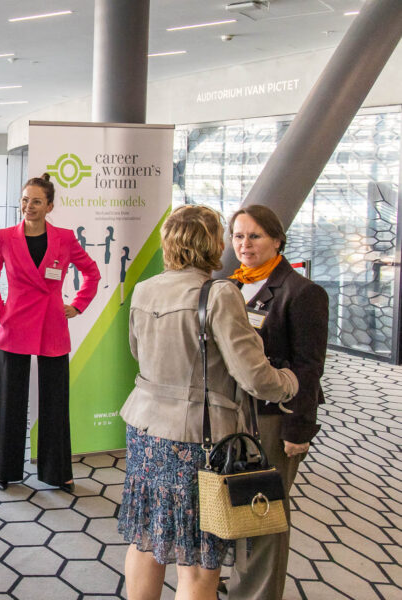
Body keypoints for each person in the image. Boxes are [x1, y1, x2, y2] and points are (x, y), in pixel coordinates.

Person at [118, 204, 299, 600]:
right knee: (200, 562)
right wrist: (289, 382)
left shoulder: (145, 289)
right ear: (212, 244)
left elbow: (137, 351)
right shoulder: (218, 294)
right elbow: (254, 376)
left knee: (146, 539)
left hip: (145, 431)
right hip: (196, 441)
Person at [225, 205, 328, 600]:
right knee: (237, 504)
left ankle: (258, 593)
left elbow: (309, 367)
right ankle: (241, 581)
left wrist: (299, 430)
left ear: (277, 240)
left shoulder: (302, 293)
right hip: (234, 413)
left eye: (255, 236)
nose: (245, 244)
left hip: (274, 418)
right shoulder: (230, 285)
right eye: (238, 236)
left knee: (263, 511)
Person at [0, 173, 100, 492]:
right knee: (10, 399)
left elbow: (92, 273)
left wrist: (78, 305)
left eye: (36, 201)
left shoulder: (65, 238)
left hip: (52, 324)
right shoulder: (4, 237)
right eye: (25, 200)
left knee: (54, 401)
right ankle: (3, 469)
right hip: (15, 324)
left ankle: (57, 472)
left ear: (49, 206)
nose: (29, 206)